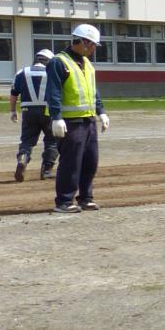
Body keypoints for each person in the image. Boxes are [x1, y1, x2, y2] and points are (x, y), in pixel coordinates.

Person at [45, 23, 109, 214]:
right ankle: (64, 201)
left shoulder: (87, 63)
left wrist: (101, 111)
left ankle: (85, 198)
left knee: (90, 161)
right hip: (70, 122)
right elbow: (53, 92)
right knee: (71, 162)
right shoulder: (59, 62)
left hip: (88, 121)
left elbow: (93, 91)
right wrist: (56, 117)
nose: (94, 49)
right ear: (83, 42)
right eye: (93, 45)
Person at [10, 48, 58, 181]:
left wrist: (13, 111)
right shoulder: (52, 72)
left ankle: (23, 158)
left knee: (26, 140)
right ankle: (46, 170)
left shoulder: (22, 72)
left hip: (28, 111)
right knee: (52, 140)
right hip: (48, 111)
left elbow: (14, 93)